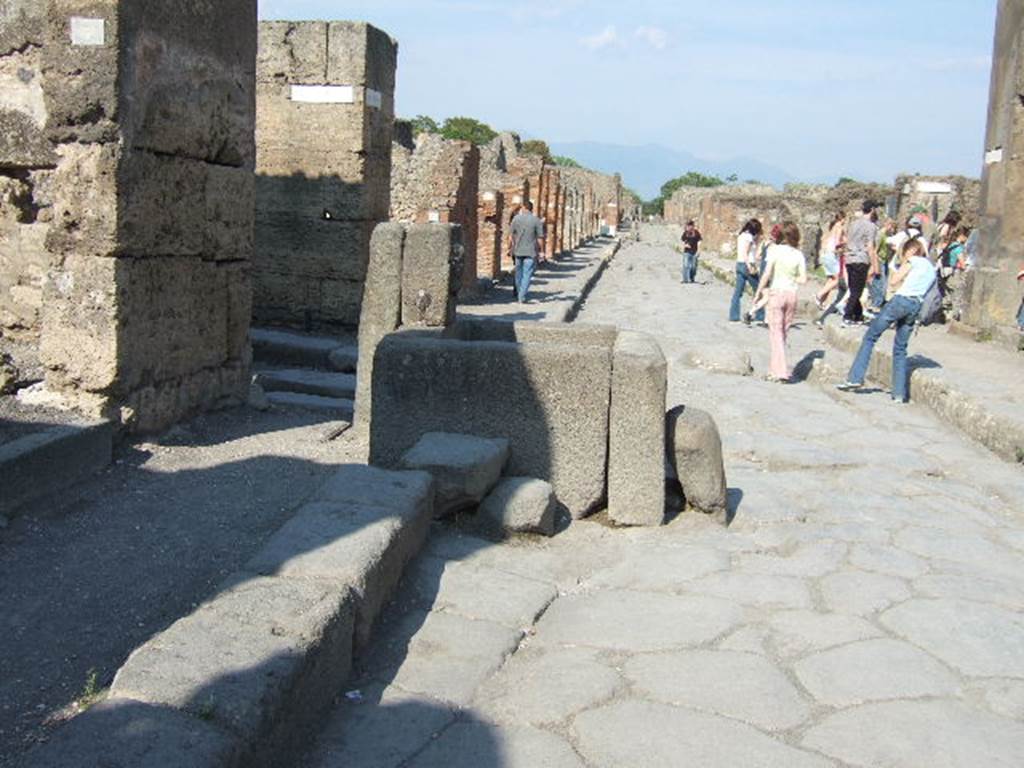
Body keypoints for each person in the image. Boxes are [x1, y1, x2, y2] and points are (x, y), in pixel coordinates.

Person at [837, 238, 937, 403]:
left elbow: (894, 280)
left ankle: (855, 377)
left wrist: (901, 269)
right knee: (900, 348)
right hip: (916, 306)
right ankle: (899, 393)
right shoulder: (931, 269)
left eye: (903, 253)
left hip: (901, 301)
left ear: (911, 251)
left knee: (871, 337)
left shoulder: (913, 260)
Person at [753, 221, 807, 381]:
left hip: (777, 293)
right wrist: (792, 277)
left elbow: (767, 274)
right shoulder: (798, 254)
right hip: (792, 295)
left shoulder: (775, 251)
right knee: (783, 334)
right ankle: (773, 369)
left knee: (775, 334)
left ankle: (781, 371)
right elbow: (803, 279)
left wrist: (758, 293)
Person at [843, 201, 880, 326]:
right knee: (857, 291)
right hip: (861, 259)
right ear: (872, 210)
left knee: (854, 288)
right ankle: (847, 315)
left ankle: (858, 315)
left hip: (849, 258)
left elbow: (847, 240)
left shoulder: (853, 224)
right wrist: (875, 267)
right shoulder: (871, 226)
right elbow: (870, 247)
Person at [508, 201, 545, 303]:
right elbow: (540, 238)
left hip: (518, 250)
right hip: (530, 251)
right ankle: (522, 296)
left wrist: (509, 247)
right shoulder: (536, 220)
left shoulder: (516, 219)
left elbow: (510, 236)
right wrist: (541, 251)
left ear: (524, 208)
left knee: (518, 274)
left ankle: (520, 292)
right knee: (527, 274)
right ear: (531, 208)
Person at [730, 218, 763, 322]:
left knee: (738, 292)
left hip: (739, 263)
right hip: (747, 264)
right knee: (759, 290)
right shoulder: (748, 237)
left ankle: (734, 315)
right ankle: (760, 315)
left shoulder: (742, 235)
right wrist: (749, 266)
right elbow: (746, 252)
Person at [816, 213, 846, 309]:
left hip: (825, 254)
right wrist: (845, 242)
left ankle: (822, 302)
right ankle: (819, 295)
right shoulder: (839, 227)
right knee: (837, 279)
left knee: (831, 279)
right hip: (831, 254)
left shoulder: (832, 227)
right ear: (842, 219)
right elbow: (837, 243)